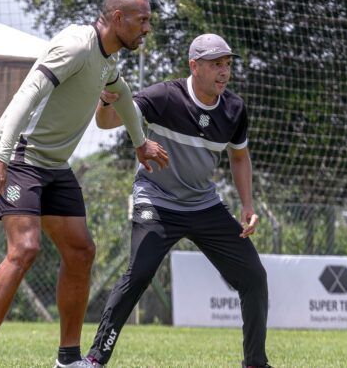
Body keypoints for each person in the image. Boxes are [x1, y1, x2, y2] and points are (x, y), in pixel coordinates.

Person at [0, 0, 170, 368]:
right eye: (142, 20)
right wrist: (0, 158)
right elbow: (26, 96)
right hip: (21, 155)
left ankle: (68, 359)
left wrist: (141, 143)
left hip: (55, 165)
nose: (147, 28)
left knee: (81, 252)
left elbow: (123, 93)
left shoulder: (107, 58)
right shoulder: (77, 46)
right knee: (25, 248)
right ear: (117, 19)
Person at [86, 34, 271, 368]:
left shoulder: (234, 109)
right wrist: (104, 101)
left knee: (254, 277)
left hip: (204, 205)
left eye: (227, 64)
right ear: (194, 66)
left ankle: (255, 363)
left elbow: (239, 157)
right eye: (216, 64)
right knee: (139, 274)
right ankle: (95, 359)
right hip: (157, 202)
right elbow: (107, 121)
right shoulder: (165, 96)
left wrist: (248, 205)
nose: (224, 72)